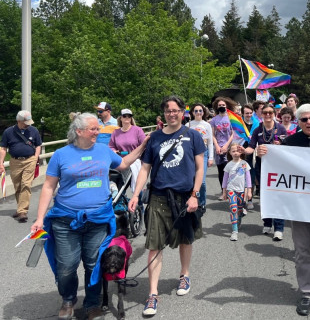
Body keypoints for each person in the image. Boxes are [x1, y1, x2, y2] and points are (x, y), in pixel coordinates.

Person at [30, 113, 148, 320]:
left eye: (97, 128)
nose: (98, 132)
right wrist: (40, 218)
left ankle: (92, 303)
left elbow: (123, 164)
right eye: (93, 129)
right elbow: (48, 186)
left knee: (93, 264)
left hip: (98, 219)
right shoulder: (61, 154)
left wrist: (143, 145)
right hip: (65, 220)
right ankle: (68, 298)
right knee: (66, 266)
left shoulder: (102, 150)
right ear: (79, 131)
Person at [257, 104, 310, 316]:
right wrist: (263, 153)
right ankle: (306, 292)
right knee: (302, 250)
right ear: (298, 122)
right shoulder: (290, 142)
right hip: (300, 206)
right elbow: (274, 167)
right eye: (304, 120)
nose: (309, 122)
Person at [128, 95, 205, 317]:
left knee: (185, 238)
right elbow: (144, 169)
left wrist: (195, 194)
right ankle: (152, 293)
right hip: (159, 196)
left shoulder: (193, 136)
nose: (172, 113)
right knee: (154, 243)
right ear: (163, 114)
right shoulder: (154, 139)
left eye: (175, 110)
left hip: (184, 196)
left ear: (183, 112)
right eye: (168, 110)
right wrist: (136, 194)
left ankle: (184, 274)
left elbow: (200, 169)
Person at [243, 104, 287, 240]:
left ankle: (279, 227)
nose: (268, 115)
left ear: (274, 114)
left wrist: (280, 146)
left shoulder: (280, 128)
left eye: (270, 112)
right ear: (261, 114)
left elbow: (287, 148)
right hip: (262, 167)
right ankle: (267, 222)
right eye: (265, 112)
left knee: (278, 196)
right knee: (265, 196)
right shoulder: (257, 130)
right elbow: (251, 147)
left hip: (278, 168)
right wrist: (243, 151)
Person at [0, 110, 42, 223]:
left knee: (26, 184)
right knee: (17, 186)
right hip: (15, 161)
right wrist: (1, 164)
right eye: (25, 122)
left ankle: (23, 211)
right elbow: (3, 148)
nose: (28, 124)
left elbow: (38, 145)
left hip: (30, 160)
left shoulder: (34, 130)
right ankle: (20, 208)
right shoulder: (8, 132)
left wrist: (36, 157)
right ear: (18, 121)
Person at [109, 108, 146, 192]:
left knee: (137, 187)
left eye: (129, 116)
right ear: (120, 118)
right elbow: (111, 146)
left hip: (135, 161)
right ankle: (121, 201)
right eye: (124, 116)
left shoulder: (137, 130)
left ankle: (139, 202)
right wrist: (114, 151)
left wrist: (138, 153)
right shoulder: (116, 132)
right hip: (121, 162)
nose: (127, 118)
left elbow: (144, 144)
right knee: (121, 188)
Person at [187, 103, 214, 213]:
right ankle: (192, 200)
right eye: (196, 111)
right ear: (192, 113)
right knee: (191, 179)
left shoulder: (207, 125)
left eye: (200, 111)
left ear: (203, 112)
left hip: (203, 153)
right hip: (191, 153)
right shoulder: (188, 125)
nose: (198, 113)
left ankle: (202, 202)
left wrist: (211, 157)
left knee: (201, 181)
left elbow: (210, 142)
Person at [222, 143, 252, 241]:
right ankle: (234, 231)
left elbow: (248, 178)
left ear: (241, 151)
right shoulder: (228, 165)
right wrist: (224, 191)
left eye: (238, 151)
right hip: (231, 190)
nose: (235, 153)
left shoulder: (244, 164)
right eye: (233, 151)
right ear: (230, 153)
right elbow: (225, 179)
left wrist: (249, 191)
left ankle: (239, 217)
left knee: (239, 209)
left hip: (241, 190)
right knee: (233, 209)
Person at [210, 97, 236, 199]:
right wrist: (216, 146)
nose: (221, 107)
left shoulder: (231, 118)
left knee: (230, 171)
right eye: (220, 105)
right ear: (217, 107)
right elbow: (212, 134)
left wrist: (226, 146)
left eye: (223, 105)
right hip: (218, 149)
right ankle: (223, 192)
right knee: (221, 171)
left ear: (227, 106)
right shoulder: (214, 120)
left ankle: (231, 191)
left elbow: (233, 134)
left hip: (229, 148)